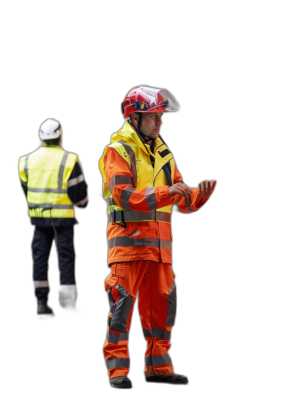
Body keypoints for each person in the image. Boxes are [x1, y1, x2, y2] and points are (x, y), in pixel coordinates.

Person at [99, 85, 217, 390]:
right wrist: (168, 192)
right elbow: (122, 195)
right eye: (153, 117)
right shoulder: (118, 151)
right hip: (128, 248)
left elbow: (179, 197)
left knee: (163, 310)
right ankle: (117, 372)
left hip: (160, 250)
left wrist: (197, 197)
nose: (159, 123)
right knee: (121, 311)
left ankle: (159, 368)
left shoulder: (163, 153)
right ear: (134, 118)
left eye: (161, 117)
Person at [18, 118, 88, 319]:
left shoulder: (26, 160)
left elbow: (26, 188)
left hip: (39, 219)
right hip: (63, 220)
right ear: (60, 136)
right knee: (65, 259)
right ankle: (68, 305)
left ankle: (41, 302)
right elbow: (79, 194)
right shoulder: (69, 159)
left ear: (41, 137)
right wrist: (82, 204)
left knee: (39, 258)